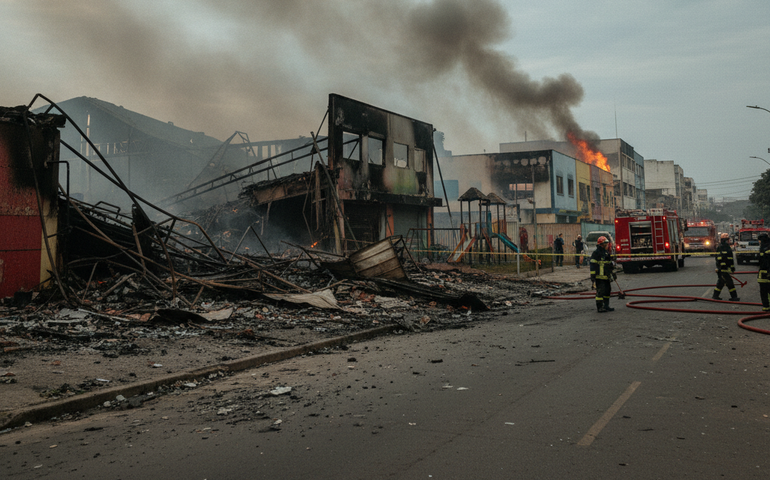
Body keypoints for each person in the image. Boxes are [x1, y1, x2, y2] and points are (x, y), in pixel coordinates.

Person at [590, 236, 616, 312]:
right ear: (602, 244)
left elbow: (609, 264)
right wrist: (593, 276)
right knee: (600, 292)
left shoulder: (606, 253)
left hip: (606, 276)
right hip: (599, 277)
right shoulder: (596, 253)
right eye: (606, 244)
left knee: (607, 291)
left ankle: (606, 306)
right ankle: (600, 307)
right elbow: (592, 265)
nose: (607, 245)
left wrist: (613, 272)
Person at [713, 232, 739, 301]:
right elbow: (726, 259)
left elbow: (726, 258)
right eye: (728, 239)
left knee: (721, 283)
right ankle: (734, 297)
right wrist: (730, 268)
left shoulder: (721, 247)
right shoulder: (725, 247)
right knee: (729, 283)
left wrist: (731, 267)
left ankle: (715, 296)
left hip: (722, 269)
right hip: (724, 269)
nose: (729, 241)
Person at [758, 232, 770, 311]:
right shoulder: (764, 247)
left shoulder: (765, 248)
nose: (759, 242)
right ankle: (766, 306)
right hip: (763, 272)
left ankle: (767, 306)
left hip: (765, 272)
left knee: (765, 291)